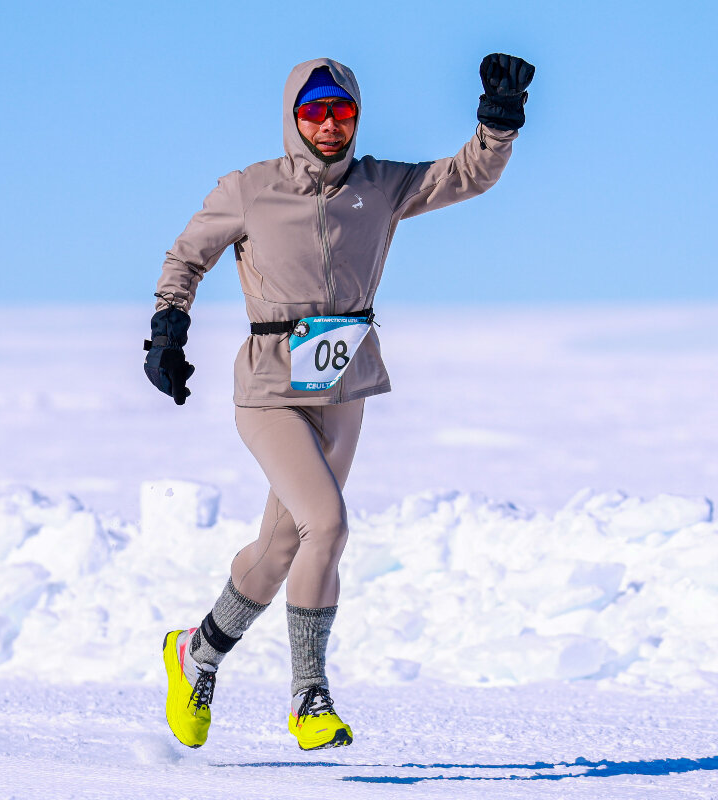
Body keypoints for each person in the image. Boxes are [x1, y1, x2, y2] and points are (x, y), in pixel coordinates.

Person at [146, 54, 534, 751]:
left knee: (280, 547)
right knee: (327, 524)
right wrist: (168, 328)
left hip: (344, 385)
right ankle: (308, 695)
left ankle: (195, 654)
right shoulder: (250, 189)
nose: (330, 125)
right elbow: (187, 256)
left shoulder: (380, 186)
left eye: (342, 112)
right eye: (316, 112)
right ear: (294, 118)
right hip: (270, 388)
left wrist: (496, 126)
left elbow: (467, 174)